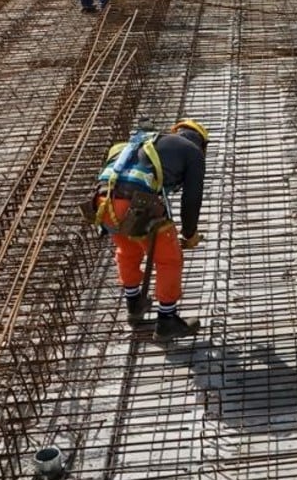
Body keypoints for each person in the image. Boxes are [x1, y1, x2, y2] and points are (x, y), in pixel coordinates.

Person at [88, 119, 208, 339]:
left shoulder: (144, 142)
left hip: (103, 202)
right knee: (168, 259)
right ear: (202, 143)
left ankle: (134, 304)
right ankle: (167, 320)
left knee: (128, 249)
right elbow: (192, 200)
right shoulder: (193, 153)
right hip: (137, 205)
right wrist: (189, 234)